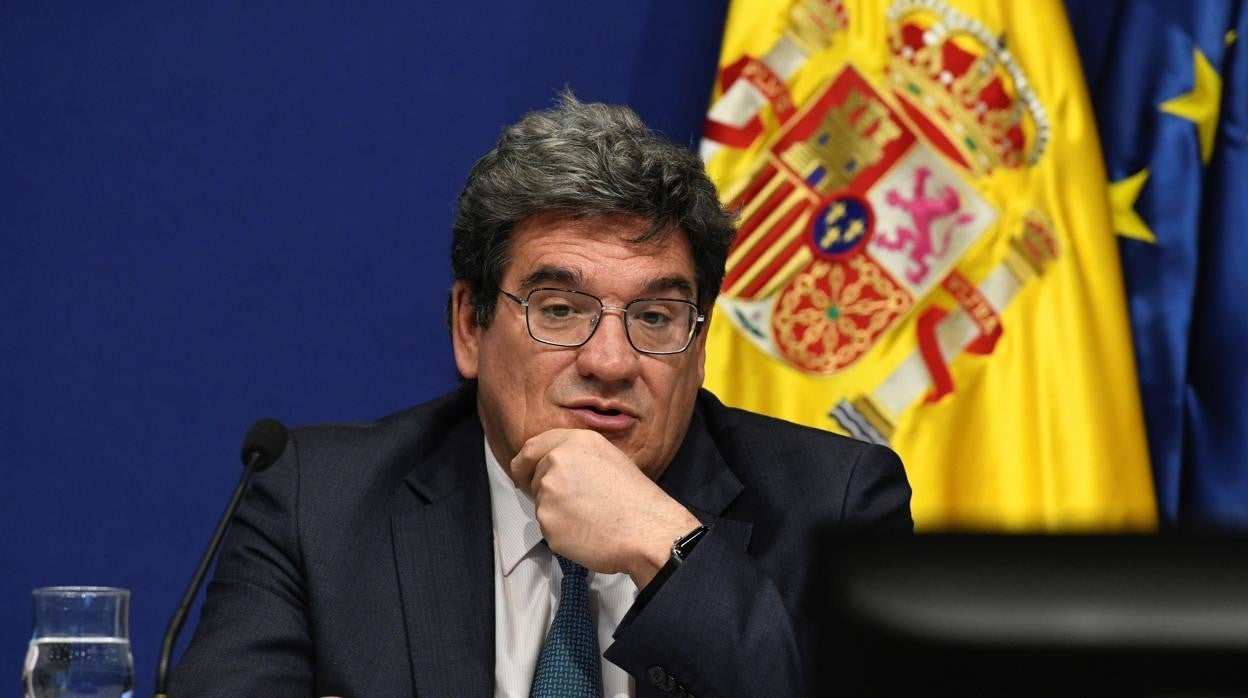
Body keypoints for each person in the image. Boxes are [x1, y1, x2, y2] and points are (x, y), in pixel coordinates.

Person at [170, 93, 912, 697]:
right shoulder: (318, 505)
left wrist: (668, 551)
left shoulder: (832, 508)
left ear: (700, 342)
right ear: (470, 326)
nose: (611, 360)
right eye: (559, 310)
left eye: (656, 317)